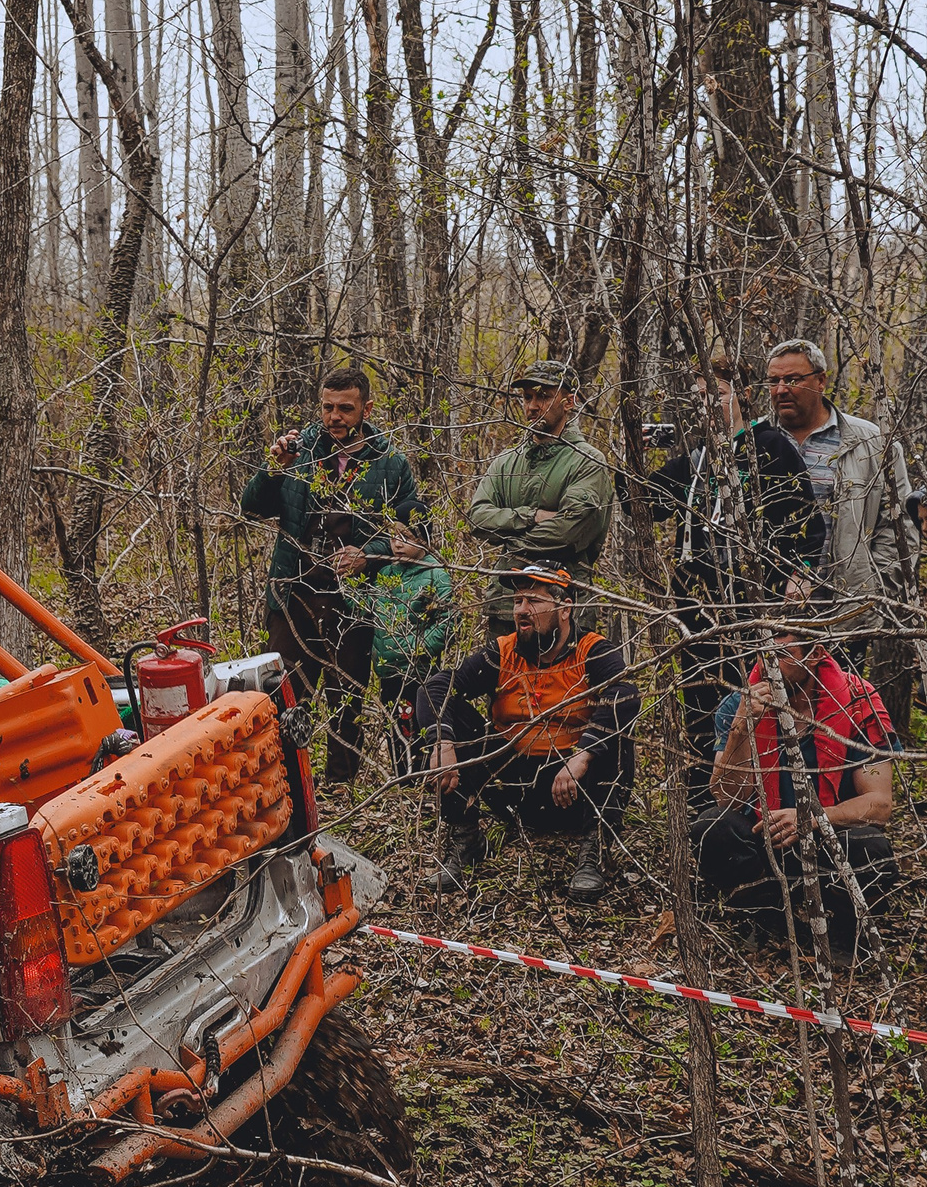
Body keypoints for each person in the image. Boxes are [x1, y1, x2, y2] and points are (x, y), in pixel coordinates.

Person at [648, 355, 822, 810]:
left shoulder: (772, 448)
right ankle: (703, 799)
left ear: (742, 396)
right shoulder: (697, 458)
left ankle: (756, 801)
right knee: (699, 703)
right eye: (699, 397)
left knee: (750, 703)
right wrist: (637, 450)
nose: (705, 405)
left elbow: (809, 525)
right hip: (697, 610)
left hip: (754, 609)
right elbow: (642, 502)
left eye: (716, 395)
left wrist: (799, 579)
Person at [242, 363, 428, 781]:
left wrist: (369, 554)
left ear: (366, 408)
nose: (334, 417)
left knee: (348, 696)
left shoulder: (390, 463)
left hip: (354, 599)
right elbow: (251, 507)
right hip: (293, 593)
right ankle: (287, 780)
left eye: (345, 408)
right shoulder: (299, 450)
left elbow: (415, 531)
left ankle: (341, 786)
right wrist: (274, 467)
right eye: (327, 407)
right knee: (286, 694)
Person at [694, 591, 898, 958]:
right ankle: (763, 917)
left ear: (816, 654)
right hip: (764, 838)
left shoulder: (857, 701)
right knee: (712, 826)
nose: (770, 667)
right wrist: (743, 725)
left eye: (783, 656)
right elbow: (726, 797)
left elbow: (880, 804)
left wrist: (813, 818)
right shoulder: (740, 701)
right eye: (764, 654)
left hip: (829, 841)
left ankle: (843, 931)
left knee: (876, 851)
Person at [418, 561, 638, 899]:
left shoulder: (591, 649)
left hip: (570, 788)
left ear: (564, 607)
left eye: (533, 601)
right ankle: (466, 839)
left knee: (617, 734)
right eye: (518, 600)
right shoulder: (504, 651)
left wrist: (583, 754)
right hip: (512, 782)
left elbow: (625, 694)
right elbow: (437, 687)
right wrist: (442, 741)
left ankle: (596, 849)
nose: (521, 610)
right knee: (448, 712)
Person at [763, 338, 918, 739]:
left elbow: (899, 528)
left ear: (821, 381)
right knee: (768, 715)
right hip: (766, 607)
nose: (781, 390)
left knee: (838, 718)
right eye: (773, 381)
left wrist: (873, 589)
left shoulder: (870, 442)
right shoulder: (753, 442)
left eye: (793, 379)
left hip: (840, 608)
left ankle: (841, 799)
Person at [465, 361, 617, 638]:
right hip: (506, 603)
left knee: (565, 682)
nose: (533, 406)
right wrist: (530, 516)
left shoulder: (587, 461)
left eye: (544, 396)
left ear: (568, 402)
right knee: (505, 681)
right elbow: (477, 518)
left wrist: (511, 540)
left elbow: (567, 533)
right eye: (527, 397)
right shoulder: (506, 462)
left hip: (566, 604)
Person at [337, 520, 455, 773]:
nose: (398, 543)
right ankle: (403, 777)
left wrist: (416, 648)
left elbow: (447, 623)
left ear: (423, 538)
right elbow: (366, 609)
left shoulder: (436, 575)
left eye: (406, 536)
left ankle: (425, 776)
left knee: (420, 726)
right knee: (397, 727)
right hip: (389, 671)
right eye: (393, 538)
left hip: (420, 673)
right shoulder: (387, 574)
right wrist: (347, 583)